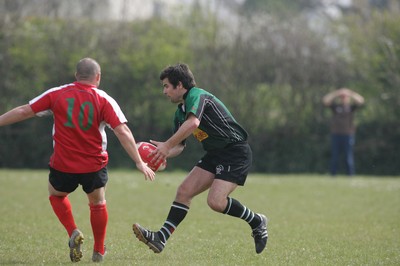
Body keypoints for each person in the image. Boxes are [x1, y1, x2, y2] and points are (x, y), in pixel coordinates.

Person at [0, 58, 155, 262]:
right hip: (94, 165)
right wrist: (138, 161)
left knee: (56, 195)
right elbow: (122, 131)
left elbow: (23, 111)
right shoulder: (103, 99)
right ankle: (99, 250)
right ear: (98, 77)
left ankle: (73, 231)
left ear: (76, 75)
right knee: (98, 203)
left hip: (63, 164)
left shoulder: (57, 94)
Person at [132, 63, 268, 254]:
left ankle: (257, 221)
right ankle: (161, 237)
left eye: (166, 86)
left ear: (179, 85)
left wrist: (166, 145)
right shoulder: (180, 112)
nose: (164, 91)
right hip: (215, 154)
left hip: (235, 152)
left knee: (216, 202)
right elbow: (180, 146)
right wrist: (160, 154)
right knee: (184, 191)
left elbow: (193, 122)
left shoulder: (197, 95)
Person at [323, 87, 364, 176]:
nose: (344, 98)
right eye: (342, 97)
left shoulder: (351, 107)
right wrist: (337, 93)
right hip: (336, 134)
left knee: (348, 157)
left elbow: (361, 100)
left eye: (345, 97)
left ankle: (350, 175)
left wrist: (350, 93)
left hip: (348, 135)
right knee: (335, 157)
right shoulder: (336, 107)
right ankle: (333, 175)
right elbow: (325, 100)